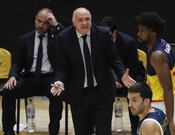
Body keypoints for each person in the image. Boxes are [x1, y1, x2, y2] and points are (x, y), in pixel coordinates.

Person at [50, 7, 136, 135]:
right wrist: (59, 81)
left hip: (101, 92)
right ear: (73, 22)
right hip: (78, 95)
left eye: (87, 19)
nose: (85, 23)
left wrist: (122, 74)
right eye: (80, 20)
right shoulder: (63, 38)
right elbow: (62, 66)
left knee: (104, 132)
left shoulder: (102, 34)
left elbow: (114, 58)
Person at [2, 8, 64, 135]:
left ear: (50, 23)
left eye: (45, 22)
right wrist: (13, 76)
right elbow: (17, 63)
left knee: (57, 95)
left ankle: (53, 131)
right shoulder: (25, 39)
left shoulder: (57, 38)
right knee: (8, 91)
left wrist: (57, 25)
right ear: (35, 19)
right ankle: (8, 131)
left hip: (49, 79)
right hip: (29, 78)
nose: (41, 25)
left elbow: (69, 37)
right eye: (38, 21)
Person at [135, 11, 175, 135]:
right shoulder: (162, 43)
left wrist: (170, 121)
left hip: (163, 105)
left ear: (152, 34)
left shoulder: (157, 55)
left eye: (142, 31)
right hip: (168, 102)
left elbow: (167, 88)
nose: (138, 34)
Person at [99, 16, 140, 135]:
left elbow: (133, 68)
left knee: (135, 90)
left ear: (114, 32)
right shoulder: (96, 41)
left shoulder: (128, 42)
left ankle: (135, 129)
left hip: (125, 80)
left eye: (108, 36)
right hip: (106, 81)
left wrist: (120, 81)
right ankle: (100, 128)